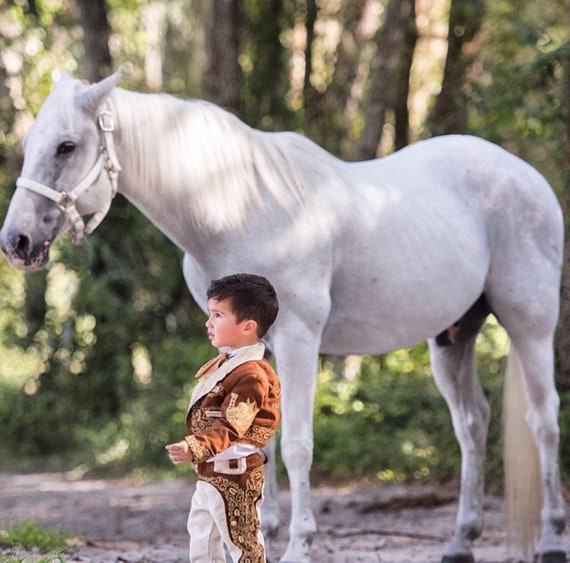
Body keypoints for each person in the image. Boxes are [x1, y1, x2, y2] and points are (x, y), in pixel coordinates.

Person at [166, 273, 281, 563]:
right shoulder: (228, 364)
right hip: (210, 472)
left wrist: (195, 447)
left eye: (218, 315)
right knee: (202, 540)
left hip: (236, 474)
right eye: (210, 313)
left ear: (248, 326)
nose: (209, 322)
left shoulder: (252, 373)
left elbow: (233, 424)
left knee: (243, 541)